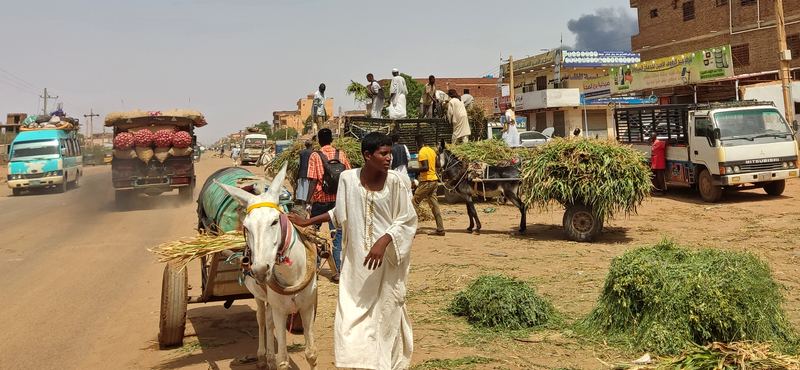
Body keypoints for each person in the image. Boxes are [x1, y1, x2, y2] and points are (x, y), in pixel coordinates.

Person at [288, 132, 417, 370]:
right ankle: (358, 362)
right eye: (383, 153)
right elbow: (339, 212)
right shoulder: (348, 179)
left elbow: (407, 219)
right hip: (357, 262)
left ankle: (383, 364)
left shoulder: (398, 182)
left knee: (386, 312)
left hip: (389, 261)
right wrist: (308, 221)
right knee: (350, 315)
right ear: (368, 156)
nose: (389, 158)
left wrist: (384, 240)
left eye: (390, 152)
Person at [306, 128, 351, 281]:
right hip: (337, 201)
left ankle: (316, 266)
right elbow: (348, 176)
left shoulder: (315, 156)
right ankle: (337, 272)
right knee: (336, 235)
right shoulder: (341, 154)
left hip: (320, 200)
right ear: (332, 139)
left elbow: (312, 180)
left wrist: (308, 201)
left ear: (318, 140)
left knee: (315, 233)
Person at [408, 134, 445, 236]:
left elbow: (425, 168)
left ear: (417, 143)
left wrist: (412, 169)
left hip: (426, 181)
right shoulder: (431, 151)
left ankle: (410, 229)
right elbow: (438, 165)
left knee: (413, 202)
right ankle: (440, 229)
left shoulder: (422, 152)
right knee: (434, 205)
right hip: (434, 181)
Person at [296, 140, 315, 208]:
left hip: (302, 173)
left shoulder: (301, 153)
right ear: (311, 145)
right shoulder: (313, 153)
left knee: (303, 190)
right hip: (310, 174)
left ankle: (304, 206)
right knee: (308, 189)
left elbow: (299, 164)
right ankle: (309, 205)